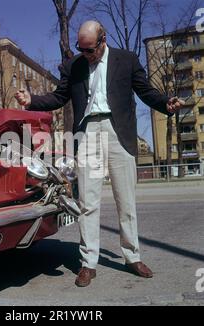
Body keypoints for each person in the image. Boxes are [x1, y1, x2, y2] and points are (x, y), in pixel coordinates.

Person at [15, 20, 184, 287]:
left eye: (90, 50)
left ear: (103, 40)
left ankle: (132, 256)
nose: (86, 55)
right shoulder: (74, 66)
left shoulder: (127, 60)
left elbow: (145, 91)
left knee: (125, 200)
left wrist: (166, 103)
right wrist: (32, 100)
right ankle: (88, 263)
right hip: (87, 132)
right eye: (80, 49)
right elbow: (59, 97)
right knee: (88, 202)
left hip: (119, 131)